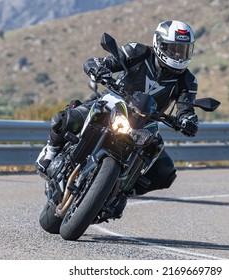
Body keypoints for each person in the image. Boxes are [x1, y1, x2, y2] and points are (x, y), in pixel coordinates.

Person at [35, 20, 199, 217]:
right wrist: (98, 68)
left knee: (164, 172)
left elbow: (185, 107)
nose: (178, 55)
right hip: (114, 101)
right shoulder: (137, 51)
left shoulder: (187, 80)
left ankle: (117, 193)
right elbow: (103, 62)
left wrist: (188, 120)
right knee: (66, 119)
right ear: (159, 44)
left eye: (183, 50)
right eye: (173, 49)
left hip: (145, 122)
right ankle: (50, 152)